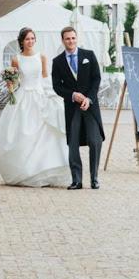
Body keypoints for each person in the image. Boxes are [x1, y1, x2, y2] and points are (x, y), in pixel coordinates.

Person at [0, 27, 70, 187]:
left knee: (45, 133)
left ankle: (43, 170)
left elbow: (44, 77)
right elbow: (14, 81)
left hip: (39, 96)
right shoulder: (16, 59)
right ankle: (24, 171)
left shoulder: (41, 56)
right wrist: (10, 85)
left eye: (33, 38)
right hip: (23, 98)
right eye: (27, 39)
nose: (30, 41)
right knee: (22, 134)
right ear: (22, 41)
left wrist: (53, 95)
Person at [51, 26, 105, 190]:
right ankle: (76, 180)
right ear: (63, 40)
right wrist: (73, 95)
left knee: (95, 141)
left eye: (73, 38)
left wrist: (89, 98)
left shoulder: (89, 55)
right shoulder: (57, 61)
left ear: (77, 38)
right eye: (67, 38)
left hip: (90, 107)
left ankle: (94, 178)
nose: (71, 41)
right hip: (72, 108)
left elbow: (96, 79)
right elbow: (56, 86)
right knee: (73, 143)